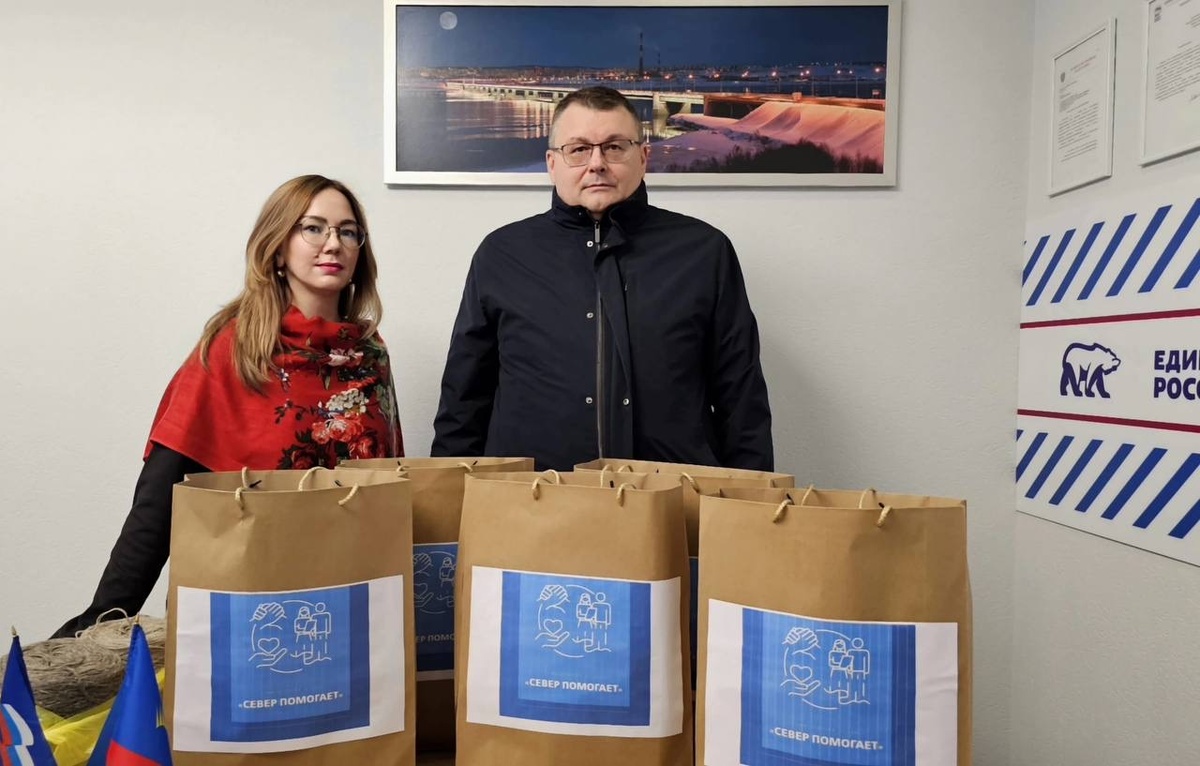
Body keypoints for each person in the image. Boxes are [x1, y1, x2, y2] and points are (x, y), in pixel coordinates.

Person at [53, 175, 403, 638]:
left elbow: (389, 487)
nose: (333, 243)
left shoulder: (370, 354)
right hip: (251, 608)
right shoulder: (232, 350)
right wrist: (102, 623)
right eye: (313, 228)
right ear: (278, 249)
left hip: (354, 599)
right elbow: (159, 499)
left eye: (348, 231)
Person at [431, 86, 772, 471]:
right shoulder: (501, 255)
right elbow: (463, 401)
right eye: (578, 149)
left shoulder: (704, 252)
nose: (597, 163)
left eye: (614, 147)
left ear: (643, 157)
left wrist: (752, 499)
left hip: (673, 498)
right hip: (531, 499)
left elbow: (741, 401)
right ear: (552, 163)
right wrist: (448, 497)